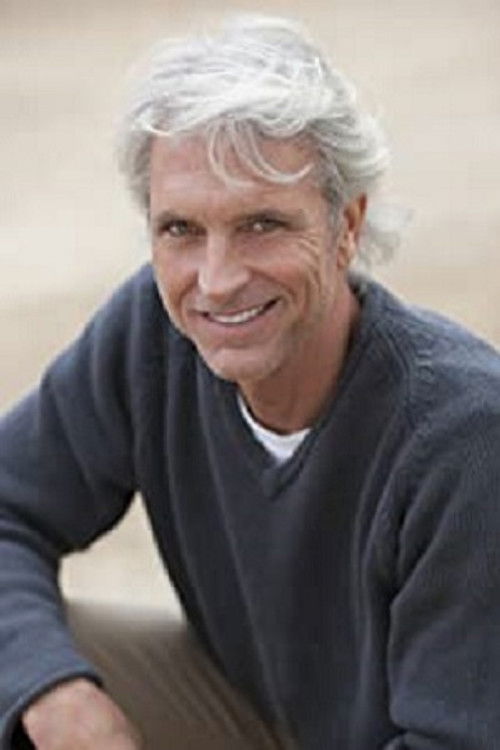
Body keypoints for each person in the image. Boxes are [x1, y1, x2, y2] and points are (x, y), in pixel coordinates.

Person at [1, 14, 500, 750]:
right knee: (20, 664)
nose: (217, 280)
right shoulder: (153, 333)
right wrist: (53, 695)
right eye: (181, 229)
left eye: (262, 224)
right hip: (250, 708)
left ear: (346, 226)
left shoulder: (465, 436)